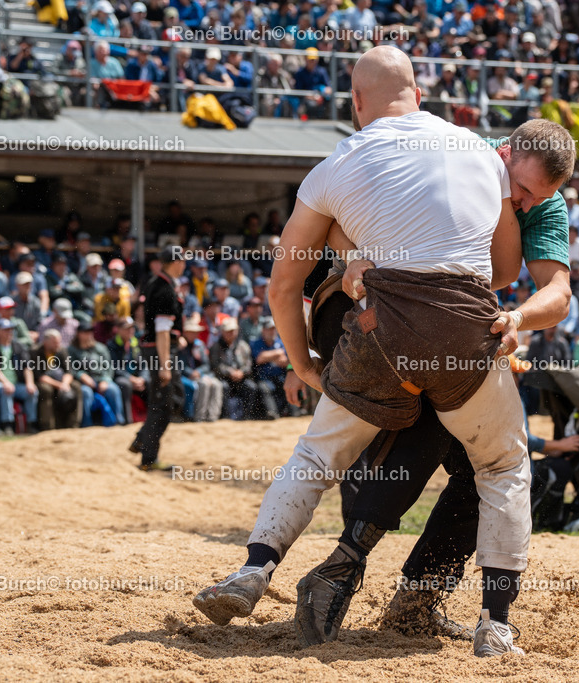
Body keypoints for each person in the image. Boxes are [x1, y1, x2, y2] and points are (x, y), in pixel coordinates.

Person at [193, 46, 535, 658]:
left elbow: (283, 284)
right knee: (503, 466)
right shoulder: (482, 151)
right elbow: (506, 271)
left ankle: (254, 568)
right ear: (419, 96)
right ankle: (495, 623)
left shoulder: (337, 163)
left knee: (316, 453)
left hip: (383, 328)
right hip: (465, 332)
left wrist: (303, 364)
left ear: (355, 102)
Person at [129, 246, 185, 471]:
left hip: (158, 348)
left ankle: (142, 441)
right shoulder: (164, 288)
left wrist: (176, 337)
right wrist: (165, 365)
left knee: (167, 402)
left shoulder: (159, 283)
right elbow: (162, 331)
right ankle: (148, 457)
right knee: (163, 405)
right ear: (176, 262)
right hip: (160, 351)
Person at [0, 318, 38, 434]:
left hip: (17, 384)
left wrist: (30, 383)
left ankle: (31, 423)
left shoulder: (18, 345)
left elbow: (27, 367)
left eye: (11, 330)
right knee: (6, 390)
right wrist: (6, 383)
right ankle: (7, 424)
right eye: (6, 330)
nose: (9, 332)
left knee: (32, 392)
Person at [32, 329, 81, 431]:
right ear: (45, 342)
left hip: (61, 380)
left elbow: (69, 372)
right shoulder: (35, 352)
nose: (57, 345)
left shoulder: (61, 350)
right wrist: (59, 385)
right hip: (44, 381)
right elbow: (39, 376)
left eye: (58, 342)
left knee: (76, 386)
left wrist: (64, 384)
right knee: (46, 390)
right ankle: (48, 426)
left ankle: (73, 424)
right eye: (54, 342)